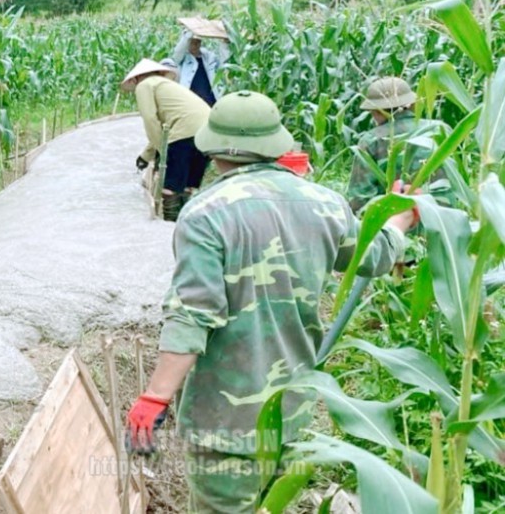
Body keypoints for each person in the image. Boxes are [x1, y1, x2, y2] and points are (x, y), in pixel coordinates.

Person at [125, 91, 416, 512]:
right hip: (292, 415)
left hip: (225, 425)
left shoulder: (205, 213)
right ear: (277, 143)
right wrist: (398, 220)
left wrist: (155, 397)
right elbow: (376, 257)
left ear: (213, 145)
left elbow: (192, 315)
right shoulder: (324, 203)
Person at [122, 58, 211, 220]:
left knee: (170, 187)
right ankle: (185, 226)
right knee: (187, 186)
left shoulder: (144, 85)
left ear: (135, 79)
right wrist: (146, 156)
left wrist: (162, 152)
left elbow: (150, 120)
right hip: (209, 132)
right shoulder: (168, 86)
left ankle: (169, 227)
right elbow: (165, 129)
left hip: (184, 134)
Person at [347, 76, 452, 213]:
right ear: (413, 104)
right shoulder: (441, 130)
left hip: (397, 223)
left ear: (376, 111)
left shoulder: (371, 140)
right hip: (446, 220)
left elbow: (360, 199)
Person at [171, 19, 231, 106]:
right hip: (191, 103)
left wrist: (224, 44)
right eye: (192, 42)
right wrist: (190, 31)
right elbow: (177, 54)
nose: (195, 45)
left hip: (210, 102)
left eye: (197, 42)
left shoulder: (209, 57)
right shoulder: (183, 58)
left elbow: (224, 65)